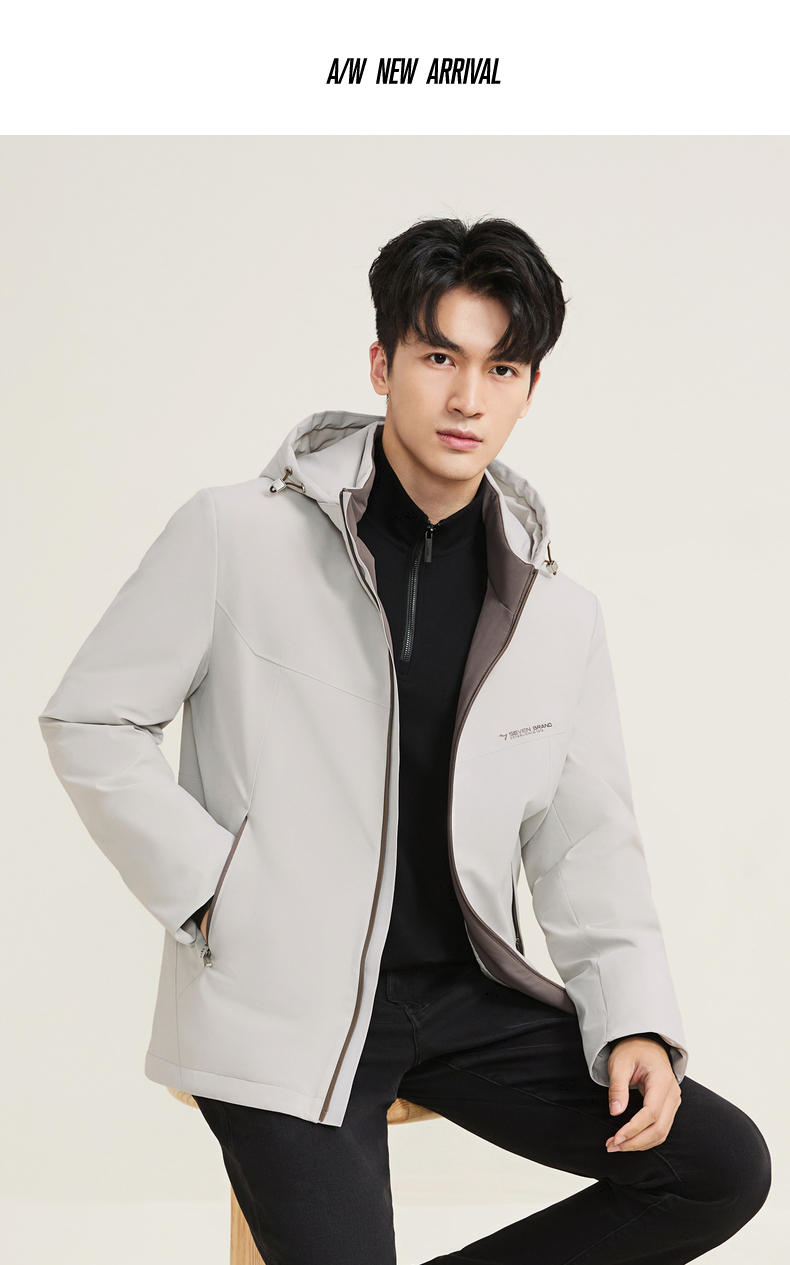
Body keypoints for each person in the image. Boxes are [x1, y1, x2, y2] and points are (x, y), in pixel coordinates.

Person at [40, 217, 770, 1264]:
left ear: (528, 388)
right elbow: (90, 716)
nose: (468, 397)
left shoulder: (556, 613)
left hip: (467, 998)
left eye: (501, 368)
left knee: (718, 1166)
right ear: (382, 364)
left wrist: (635, 1020)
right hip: (283, 995)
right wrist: (215, 893)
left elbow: (585, 841)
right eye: (439, 358)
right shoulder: (236, 534)